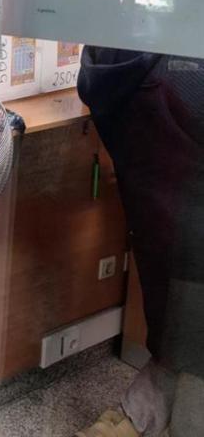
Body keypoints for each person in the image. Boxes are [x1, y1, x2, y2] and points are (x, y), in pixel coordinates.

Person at [77, 47, 204, 437]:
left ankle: (143, 412)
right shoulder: (185, 65)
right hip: (190, 235)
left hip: (162, 230)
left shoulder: (112, 50)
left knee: (177, 319)